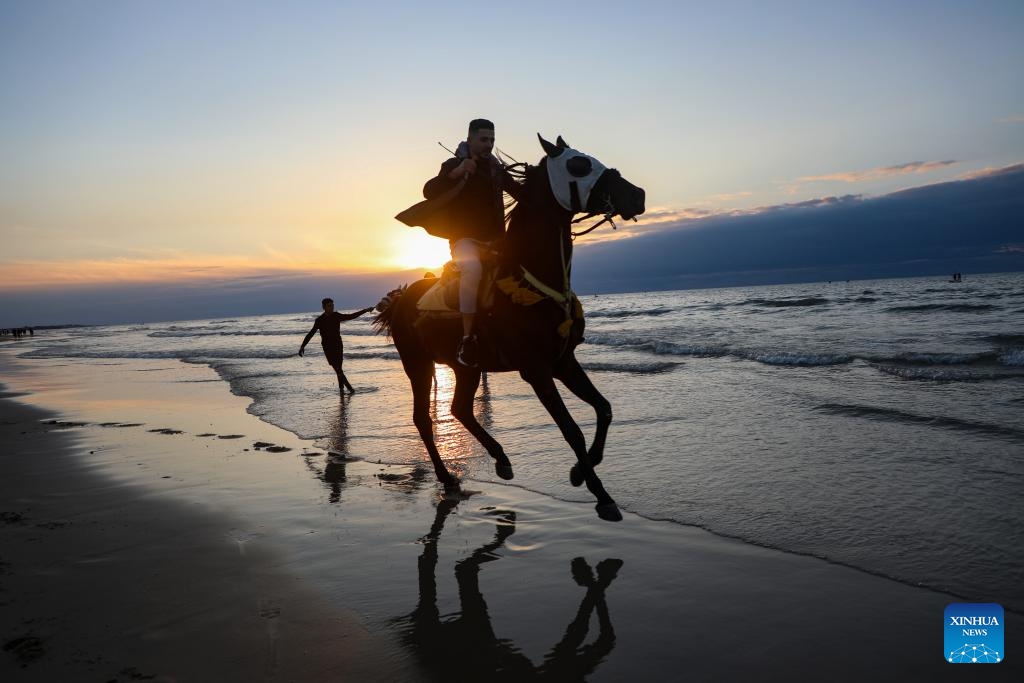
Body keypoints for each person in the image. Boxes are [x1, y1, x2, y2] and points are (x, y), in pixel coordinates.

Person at [420, 118, 522, 367]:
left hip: (496, 241)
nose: (489, 144)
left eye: (492, 140)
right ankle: (467, 338)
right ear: (470, 139)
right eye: (483, 139)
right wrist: (456, 173)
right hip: (464, 241)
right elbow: (429, 191)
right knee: (473, 269)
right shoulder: (453, 164)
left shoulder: (497, 169)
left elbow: (521, 193)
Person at [299, 298, 374, 394]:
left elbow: (351, 316)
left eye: (332, 305)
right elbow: (311, 333)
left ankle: (342, 390)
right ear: (324, 307)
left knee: (339, 369)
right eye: (329, 306)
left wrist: (365, 310)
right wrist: (302, 346)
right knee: (338, 369)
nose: (332, 307)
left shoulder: (336, 316)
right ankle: (350, 389)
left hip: (338, 345)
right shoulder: (319, 320)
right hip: (327, 347)